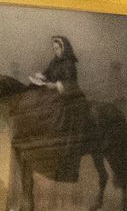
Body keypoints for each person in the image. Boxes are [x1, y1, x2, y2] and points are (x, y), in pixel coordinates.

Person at [27, 35, 86, 182]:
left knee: (60, 115)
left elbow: (70, 83)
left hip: (70, 97)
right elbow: (47, 73)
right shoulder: (54, 61)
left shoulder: (69, 63)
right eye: (54, 48)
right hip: (56, 95)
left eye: (58, 48)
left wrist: (54, 85)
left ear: (64, 48)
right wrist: (39, 77)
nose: (56, 51)